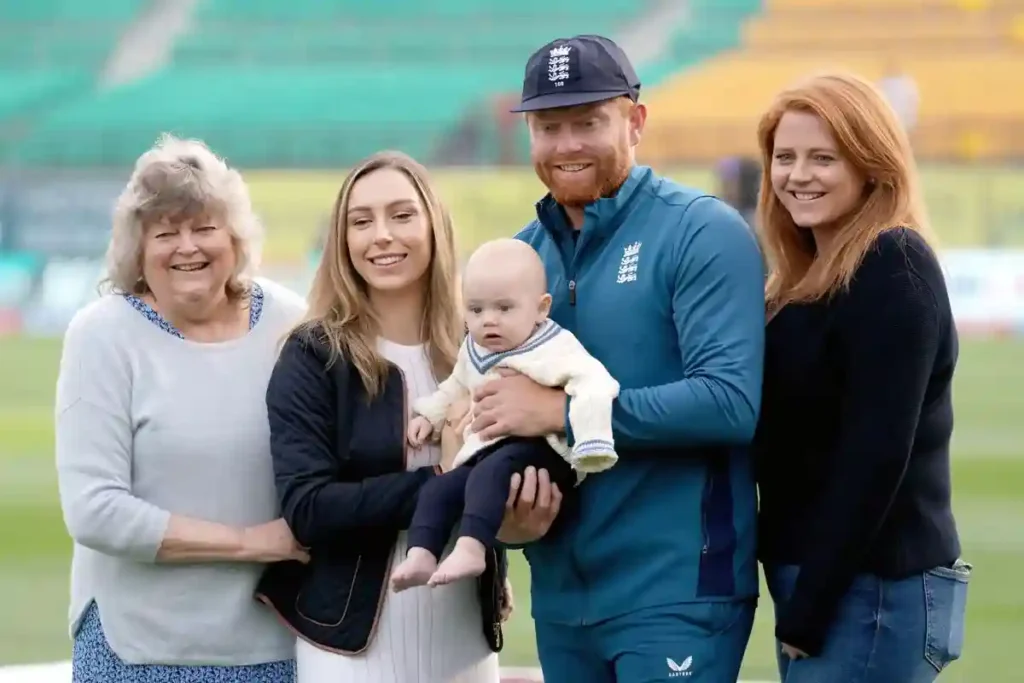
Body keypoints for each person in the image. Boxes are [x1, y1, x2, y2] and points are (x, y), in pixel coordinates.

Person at [464, 34, 767, 683]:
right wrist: (509, 519)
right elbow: (498, 421)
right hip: (562, 600)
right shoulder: (521, 258)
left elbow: (729, 402)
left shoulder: (700, 230)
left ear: (635, 121)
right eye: (550, 126)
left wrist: (561, 409)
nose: (567, 143)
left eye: (588, 122)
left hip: (677, 591)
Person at [55, 134, 309, 682]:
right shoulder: (102, 335)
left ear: (235, 237)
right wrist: (249, 543)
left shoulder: (291, 321)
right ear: (138, 252)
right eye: (165, 233)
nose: (187, 247)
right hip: (136, 650)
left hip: (274, 644)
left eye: (204, 227)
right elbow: (94, 509)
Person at [255, 151, 512, 683]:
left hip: (465, 642)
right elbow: (308, 507)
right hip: (350, 650)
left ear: (433, 225)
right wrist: (439, 484)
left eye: (401, 215)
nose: (382, 236)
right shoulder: (313, 355)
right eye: (361, 221)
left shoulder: (479, 348)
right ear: (342, 240)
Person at [752, 72, 969, 683]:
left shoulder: (892, 263)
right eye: (784, 157)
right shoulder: (804, 277)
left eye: (824, 157)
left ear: (872, 164)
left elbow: (876, 454)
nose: (798, 175)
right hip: (832, 586)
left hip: (872, 590)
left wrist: (810, 610)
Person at [390, 237, 619, 591]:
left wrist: (590, 440)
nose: (488, 321)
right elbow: (456, 386)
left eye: (504, 308)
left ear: (541, 308)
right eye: (476, 310)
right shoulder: (475, 347)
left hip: (545, 452)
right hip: (492, 452)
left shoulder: (553, 346)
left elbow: (595, 384)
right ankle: (421, 553)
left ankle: (472, 547)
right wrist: (429, 417)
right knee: (440, 488)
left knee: (490, 472)